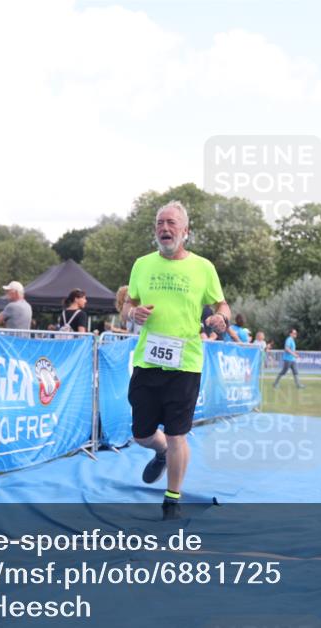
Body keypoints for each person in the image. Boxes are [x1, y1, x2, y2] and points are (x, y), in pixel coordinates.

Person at [126, 200, 231, 519]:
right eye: (160, 223)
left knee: (176, 434)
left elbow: (222, 306)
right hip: (147, 361)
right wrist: (132, 313)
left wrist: (221, 320)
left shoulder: (203, 268)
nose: (164, 228)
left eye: (171, 223)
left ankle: (172, 499)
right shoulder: (142, 265)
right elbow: (127, 305)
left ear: (185, 231)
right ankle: (158, 452)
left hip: (185, 364)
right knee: (142, 434)